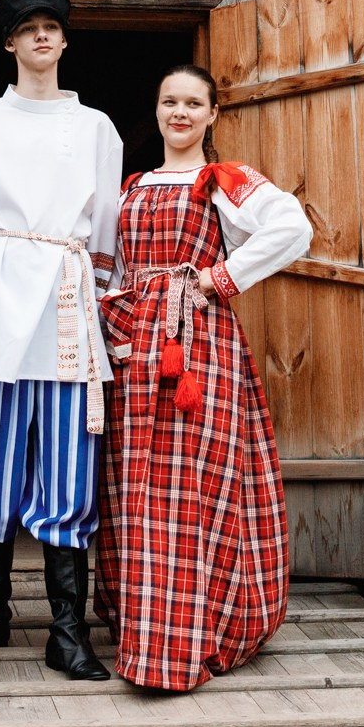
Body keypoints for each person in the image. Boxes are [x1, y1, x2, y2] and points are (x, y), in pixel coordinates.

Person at [97, 61, 312, 691]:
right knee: (136, 485)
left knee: (197, 483)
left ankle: (197, 631)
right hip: (138, 349)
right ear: (158, 110)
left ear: (213, 114)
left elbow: (291, 227)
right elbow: (114, 268)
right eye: (170, 102)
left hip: (200, 346)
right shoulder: (131, 187)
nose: (180, 113)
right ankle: (145, 629)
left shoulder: (225, 179)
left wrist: (218, 280)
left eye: (194, 103)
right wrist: (114, 317)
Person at [0, 0, 122, 682]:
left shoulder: (98, 126)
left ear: (65, 41)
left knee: (70, 470)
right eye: (29, 28)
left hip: (69, 302)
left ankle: (67, 630)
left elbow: (104, 226)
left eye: (52, 27)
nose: (42, 37)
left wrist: (105, 308)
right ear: (10, 43)